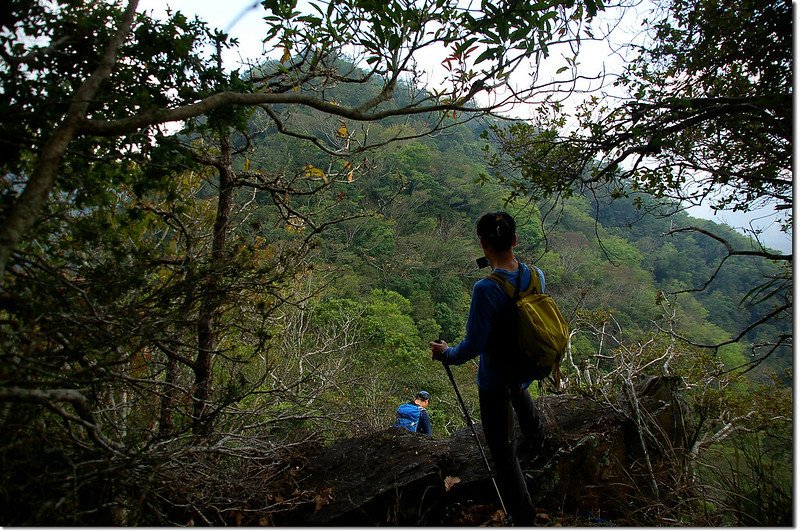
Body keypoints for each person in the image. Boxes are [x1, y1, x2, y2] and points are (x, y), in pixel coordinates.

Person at [429, 211, 544, 527]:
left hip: (495, 381)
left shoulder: (486, 288)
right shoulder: (535, 275)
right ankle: (536, 436)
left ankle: (523, 518)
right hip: (523, 369)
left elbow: (473, 346)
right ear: (515, 240)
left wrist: (445, 354)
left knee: (504, 454)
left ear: (482, 243)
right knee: (521, 399)